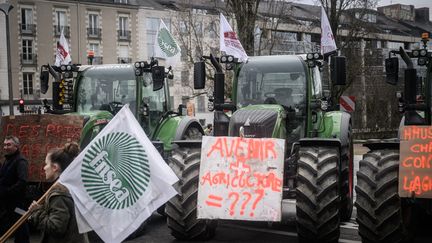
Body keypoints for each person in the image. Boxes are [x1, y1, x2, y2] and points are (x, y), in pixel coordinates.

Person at [28, 143, 88, 243]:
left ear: (55, 167)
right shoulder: (71, 187)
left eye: (46, 164)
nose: (44, 168)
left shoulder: (59, 193)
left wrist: (36, 212)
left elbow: (56, 227)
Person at [0, 135, 30, 243]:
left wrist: (6, 191)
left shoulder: (21, 161)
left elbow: (22, 182)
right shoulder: (8, 160)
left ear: (16, 146)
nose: (6, 147)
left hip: (18, 203)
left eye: (9, 144)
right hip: (7, 202)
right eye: (4, 145)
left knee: (21, 226)